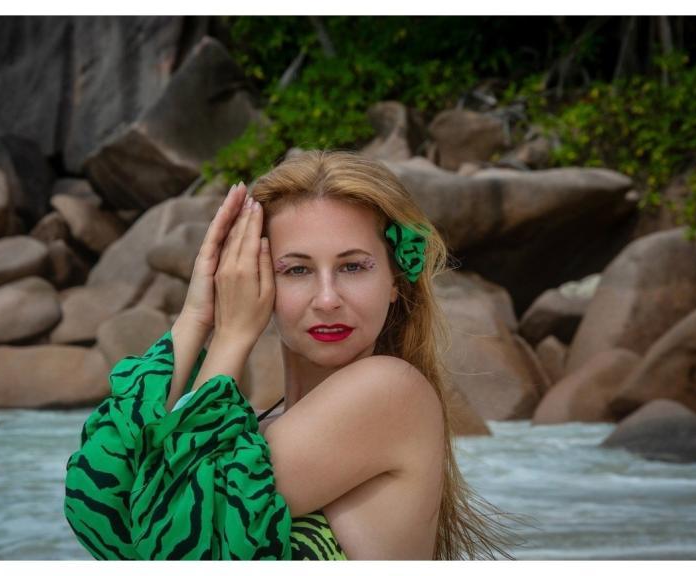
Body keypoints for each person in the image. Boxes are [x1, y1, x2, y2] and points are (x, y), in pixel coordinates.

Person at [64, 149, 511, 560]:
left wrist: (231, 338)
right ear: (254, 277)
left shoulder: (389, 391)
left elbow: (178, 548)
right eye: (297, 269)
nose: (328, 298)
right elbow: (98, 505)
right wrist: (197, 315)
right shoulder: (254, 435)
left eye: (353, 266)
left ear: (395, 280)